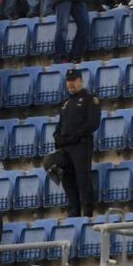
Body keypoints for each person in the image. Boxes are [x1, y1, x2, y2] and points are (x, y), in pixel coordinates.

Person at [46, 68, 101, 218]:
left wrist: (76, 136)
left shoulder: (90, 98)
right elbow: (60, 125)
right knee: (67, 178)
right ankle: (74, 210)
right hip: (66, 146)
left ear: (80, 80)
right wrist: (58, 137)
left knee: (83, 178)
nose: (71, 84)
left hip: (81, 144)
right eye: (68, 81)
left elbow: (93, 122)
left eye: (73, 81)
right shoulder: (66, 103)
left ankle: (87, 210)